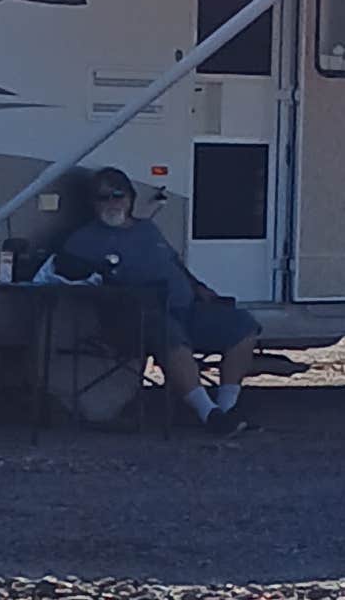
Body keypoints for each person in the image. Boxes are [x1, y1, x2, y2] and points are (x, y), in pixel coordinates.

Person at [43, 166, 261, 432]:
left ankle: (227, 408)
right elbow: (69, 279)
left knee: (242, 325)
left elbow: (174, 264)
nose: (112, 202)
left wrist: (199, 287)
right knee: (170, 335)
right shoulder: (82, 240)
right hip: (136, 316)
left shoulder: (148, 229)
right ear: (92, 203)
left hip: (185, 307)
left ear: (130, 198)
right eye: (103, 198)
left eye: (117, 195)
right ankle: (209, 415)